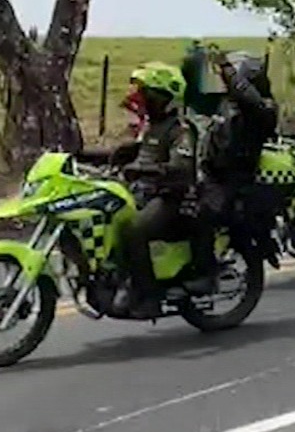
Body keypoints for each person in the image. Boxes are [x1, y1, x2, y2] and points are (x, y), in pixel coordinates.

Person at [101, 63, 199, 319]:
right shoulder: (151, 127)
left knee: (132, 229)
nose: (140, 98)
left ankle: (148, 295)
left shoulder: (181, 129)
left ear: (163, 96)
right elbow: (135, 154)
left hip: (172, 198)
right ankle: (119, 277)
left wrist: (147, 172)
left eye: (146, 93)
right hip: (143, 192)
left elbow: (181, 166)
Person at [192, 50, 280, 286]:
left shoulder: (261, 108)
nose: (226, 82)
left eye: (231, 77)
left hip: (235, 178)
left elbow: (248, 96)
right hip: (212, 173)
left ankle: (205, 273)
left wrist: (226, 68)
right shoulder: (229, 104)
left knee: (202, 216)